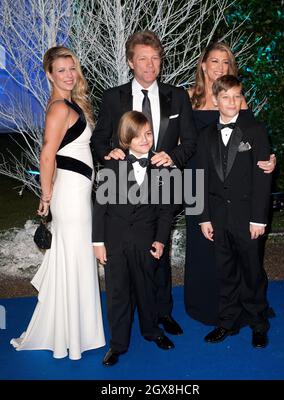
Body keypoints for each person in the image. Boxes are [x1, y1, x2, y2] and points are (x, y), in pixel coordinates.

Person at [91, 30, 197, 336]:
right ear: (130, 62)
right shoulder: (113, 97)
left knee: (158, 252)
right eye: (142, 59)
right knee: (126, 256)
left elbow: (190, 142)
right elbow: (100, 139)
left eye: (155, 58)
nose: (150, 65)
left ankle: (162, 313)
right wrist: (108, 153)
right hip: (124, 186)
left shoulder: (177, 96)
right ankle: (125, 325)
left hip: (163, 184)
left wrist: (172, 156)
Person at [10, 46, 105, 360]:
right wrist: (46, 195)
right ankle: (72, 338)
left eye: (71, 68)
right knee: (75, 259)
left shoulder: (69, 103)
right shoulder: (58, 108)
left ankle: (74, 333)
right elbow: (47, 155)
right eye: (61, 70)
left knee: (76, 259)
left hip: (77, 193)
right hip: (69, 198)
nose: (68, 75)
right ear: (49, 74)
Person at [184, 42, 276, 325]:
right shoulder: (188, 98)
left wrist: (270, 162)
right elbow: (180, 143)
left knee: (240, 251)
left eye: (226, 63)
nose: (220, 68)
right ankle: (205, 306)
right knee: (202, 247)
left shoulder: (239, 100)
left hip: (235, 193)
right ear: (203, 65)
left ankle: (245, 307)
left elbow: (255, 142)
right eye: (214, 62)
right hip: (199, 183)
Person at [93, 111, 178, 366]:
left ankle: (152, 331)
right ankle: (118, 344)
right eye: (138, 135)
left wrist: (161, 240)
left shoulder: (162, 167)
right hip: (115, 243)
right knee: (118, 295)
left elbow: (166, 212)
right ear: (126, 139)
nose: (145, 139)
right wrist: (98, 243)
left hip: (146, 242)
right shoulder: (112, 164)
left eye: (149, 134)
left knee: (147, 291)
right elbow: (100, 207)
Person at [197, 75, 272, 347]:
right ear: (215, 100)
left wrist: (258, 219)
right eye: (226, 97)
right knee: (225, 271)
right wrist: (203, 217)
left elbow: (263, 179)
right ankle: (227, 322)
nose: (232, 102)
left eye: (237, 96)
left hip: (247, 216)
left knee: (252, 272)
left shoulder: (256, 130)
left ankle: (258, 323)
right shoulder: (205, 135)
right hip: (217, 217)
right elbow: (200, 178)